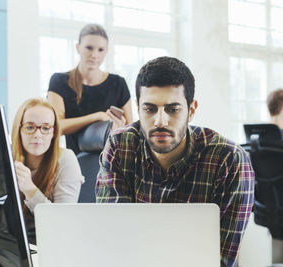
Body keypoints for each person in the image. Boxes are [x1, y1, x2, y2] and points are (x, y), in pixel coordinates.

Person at [96, 56, 255, 266]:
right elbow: (114, 239)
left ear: (192, 109)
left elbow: (221, 260)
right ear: (138, 108)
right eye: (149, 109)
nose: (160, 121)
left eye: (173, 109)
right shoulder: (119, 146)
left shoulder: (230, 160)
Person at [47, 23, 133, 155]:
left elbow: (130, 131)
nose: (94, 55)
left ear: (106, 51)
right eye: (89, 48)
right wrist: (97, 116)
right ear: (78, 48)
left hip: (113, 161)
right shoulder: (59, 81)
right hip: (76, 163)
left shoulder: (118, 83)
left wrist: (119, 127)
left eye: (100, 50)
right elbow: (55, 127)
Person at [11, 98, 84, 230]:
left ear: (54, 132)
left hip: (49, 241)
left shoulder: (66, 159)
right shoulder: (8, 157)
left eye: (45, 128)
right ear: (19, 130)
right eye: (30, 127)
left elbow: (62, 222)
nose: (38, 134)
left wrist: (29, 189)